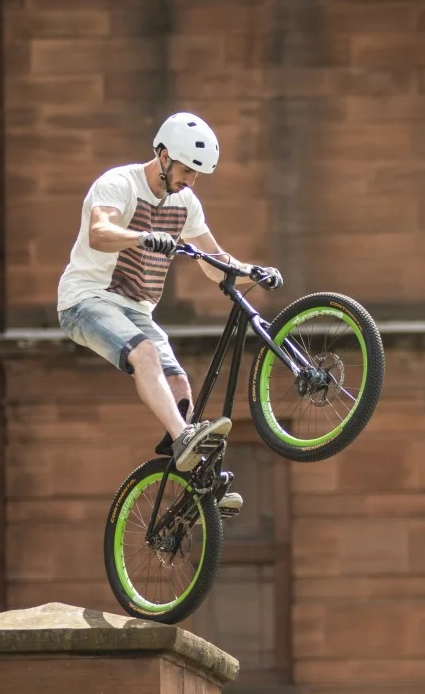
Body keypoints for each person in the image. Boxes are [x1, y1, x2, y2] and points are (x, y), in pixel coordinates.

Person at [56, 112, 282, 518]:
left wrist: (249, 270)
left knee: (179, 384)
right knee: (144, 355)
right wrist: (142, 236)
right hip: (86, 300)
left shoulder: (185, 203)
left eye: (198, 174)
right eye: (185, 170)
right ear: (162, 155)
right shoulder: (119, 184)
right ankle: (183, 440)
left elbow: (214, 261)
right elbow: (98, 232)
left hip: (135, 310)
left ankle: (199, 482)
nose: (190, 181)